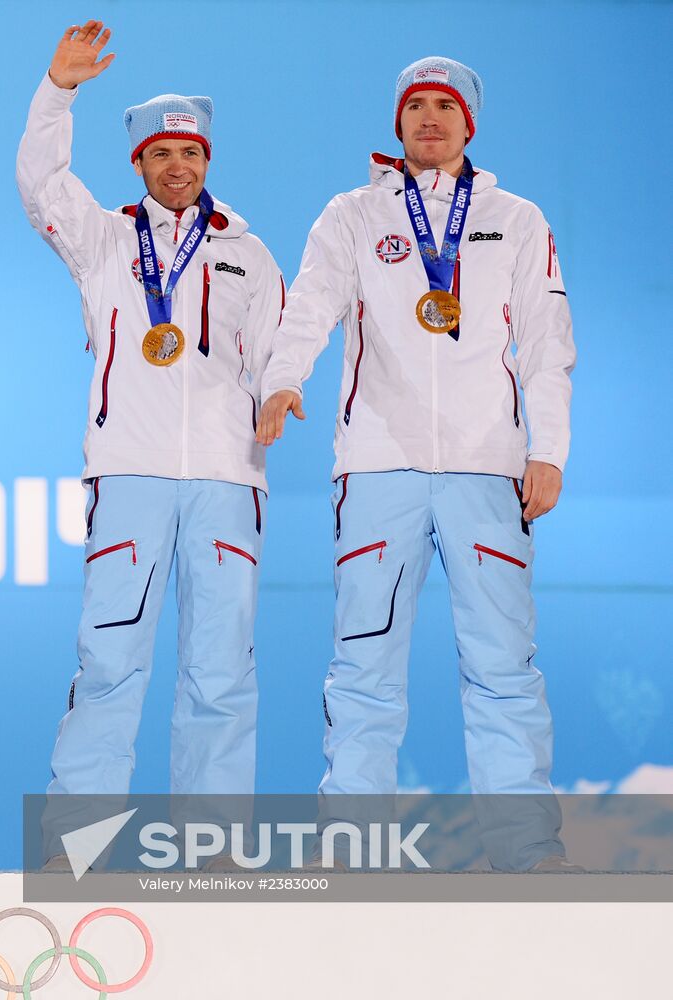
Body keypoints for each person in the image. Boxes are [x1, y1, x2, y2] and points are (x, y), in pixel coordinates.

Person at [256, 58, 577, 870]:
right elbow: (308, 306)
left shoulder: (516, 217)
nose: (429, 119)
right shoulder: (354, 214)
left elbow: (547, 347)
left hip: (487, 468)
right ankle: (352, 850)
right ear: (396, 124)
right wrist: (282, 380)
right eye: (415, 107)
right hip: (378, 467)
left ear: (470, 124)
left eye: (445, 106)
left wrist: (547, 450)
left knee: (502, 664)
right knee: (362, 665)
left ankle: (526, 854)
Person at [17, 21, 283, 858]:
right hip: (126, 472)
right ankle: (76, 855)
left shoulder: (248, 252)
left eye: (192, 155)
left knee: (221, 674)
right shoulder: (99, 239)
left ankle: (208, 855)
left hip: (226, 480)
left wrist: (282, 391)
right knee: (110, 664)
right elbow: (38, 181)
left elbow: (280, 349)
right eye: (163, 155)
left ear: (208, 161)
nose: (179, 168)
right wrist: (57, 91)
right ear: (137, 163)